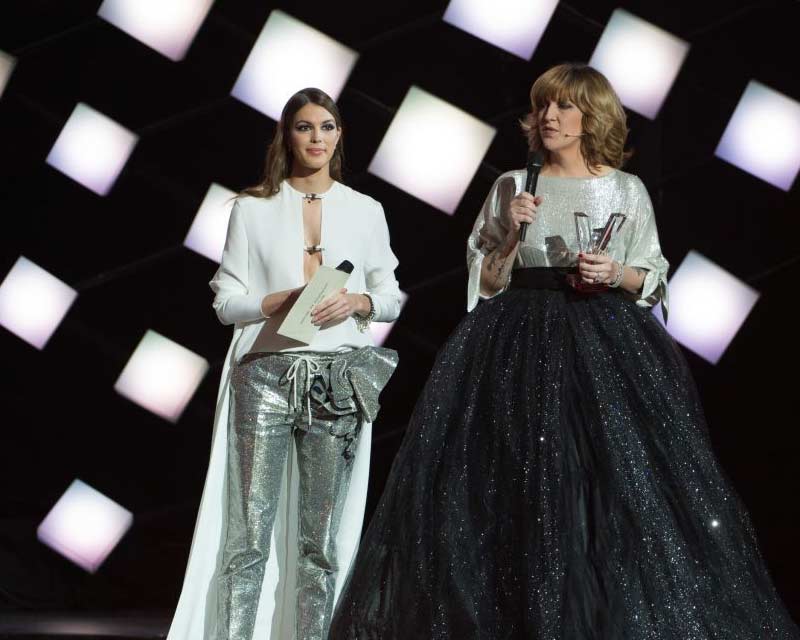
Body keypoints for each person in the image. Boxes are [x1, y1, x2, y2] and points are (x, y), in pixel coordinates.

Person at [329, 64, 800, 639]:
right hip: (517, 343)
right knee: (514, 485)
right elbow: (488, 280)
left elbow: (653, 275)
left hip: (605, 343)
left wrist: (615, 270)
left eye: (566, 107)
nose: (550, 117)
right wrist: (507, 235)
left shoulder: (625, 188)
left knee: (603, 485)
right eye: (544, 105)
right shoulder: (511, 184)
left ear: (591, 116)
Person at [165, 87, 402, 640]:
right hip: (265, 374)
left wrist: (359, 302)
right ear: (286, 135)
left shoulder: (366, 211)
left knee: (320, 543)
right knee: (247, 535)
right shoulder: (251, 208)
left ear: (339, 135)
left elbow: (390, 295)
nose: (316, 138)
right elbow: (226, 304)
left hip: (335, 381)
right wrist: (273, 302)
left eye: (326, 127)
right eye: (303, 127)